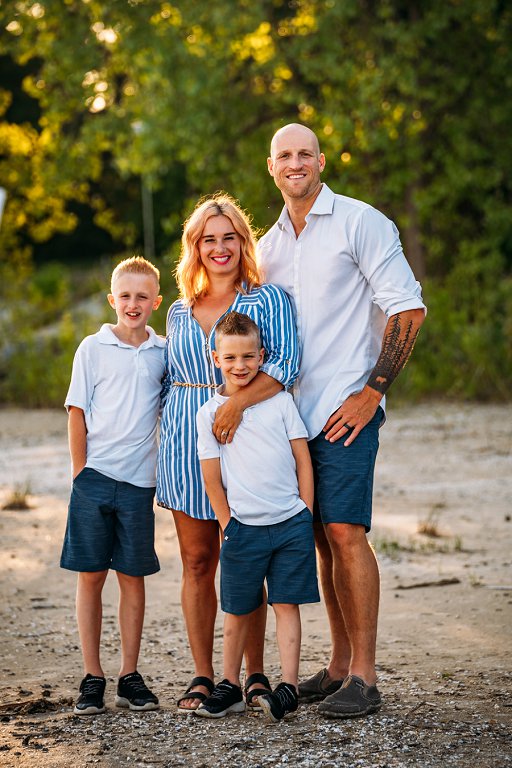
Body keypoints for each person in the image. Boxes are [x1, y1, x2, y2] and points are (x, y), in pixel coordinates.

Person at [254, 123, 426, 719]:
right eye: (285, 156)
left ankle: (366, 677)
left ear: (321, 161)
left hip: (346, 412)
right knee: (322, 541)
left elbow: (407, 306)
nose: (295, 163)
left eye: (305, 153)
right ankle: (336, 666)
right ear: (271, 167)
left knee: (348, 533)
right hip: (288, 422)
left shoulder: (361, 221)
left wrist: (373, 391)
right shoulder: (267, 246)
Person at [156, 193, 300, 712]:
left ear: (244, 242)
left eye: (229, 237)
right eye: (208, 239)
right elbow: (166, 379)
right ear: (195, 247)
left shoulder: (266, 300)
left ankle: (256, 675)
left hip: (247, 445)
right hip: (183, 440)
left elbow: (287, 364)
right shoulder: (177, 311)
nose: (220, 247)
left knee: (248, 559)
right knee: (197, 561)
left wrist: (235, 404)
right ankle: (203, 675)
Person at [194, 312, 319, 722]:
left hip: (290, 524)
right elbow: (211, 477)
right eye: (230, 358)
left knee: (286, 604)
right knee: (237, 608)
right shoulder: (208, 413)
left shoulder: (281, 402)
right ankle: (229, 685)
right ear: (216, 359)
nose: (240, 365)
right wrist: (228, 522)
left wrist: (305, 511)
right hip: (243, 527)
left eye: (249, 356)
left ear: (262, 355)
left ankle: (288, 688)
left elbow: (303, 457)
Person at [60, 256, 165, 715]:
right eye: (125, 296)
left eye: (143, 296)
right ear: (111, 300)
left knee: (133, 578)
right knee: (91, 577)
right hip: (95, 480)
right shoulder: (93, 348)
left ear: (156, 302)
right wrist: (81, 472)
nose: (133, 303)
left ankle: (129, 674)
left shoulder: (163, 351)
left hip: (140, 484)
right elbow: (77, 411)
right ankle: (92, 675)